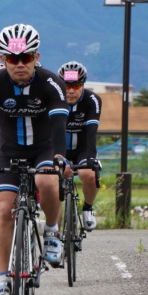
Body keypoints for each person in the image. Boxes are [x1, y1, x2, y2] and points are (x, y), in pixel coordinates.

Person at [0, 23, 69, 295]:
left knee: (46, 182)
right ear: (2, 60)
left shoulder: (51, 82)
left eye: (26, 58)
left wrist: (59, 156)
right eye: (12, 58)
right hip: (7, 150)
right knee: (5, 210)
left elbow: (59, 123)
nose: (20, 64)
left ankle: (53, 231)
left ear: (36, 57)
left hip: (43, 148)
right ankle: (2, 279)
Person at [58, 61, 102, 230]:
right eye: (66, 85)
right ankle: (53, 229)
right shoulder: (54, 99)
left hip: (82, 149)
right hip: (59, 149)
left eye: (76, 86)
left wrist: (91, 159)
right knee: (51, 182)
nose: (70, 90)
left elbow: (92, 132)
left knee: (89, 174)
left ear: (83, 85)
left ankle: (88, 209)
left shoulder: (92, 100)